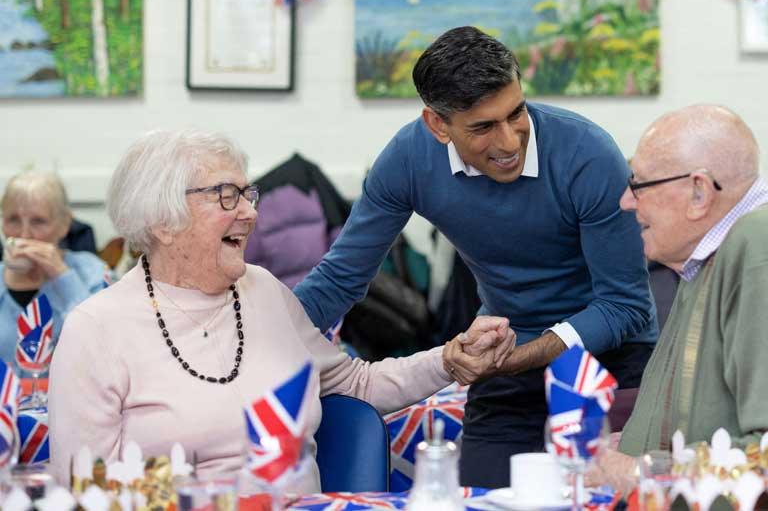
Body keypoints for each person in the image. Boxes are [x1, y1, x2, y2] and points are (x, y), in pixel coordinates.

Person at [48, 129, 515, 491]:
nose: (251, 213)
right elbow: (85, 486)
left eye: (248, 195)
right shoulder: (96, 330)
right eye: (226, 196)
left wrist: (449, 360)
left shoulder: (264, 291)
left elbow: (353, 385)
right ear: (162, 220)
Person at [294, 26, 657, 487]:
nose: (508, 141)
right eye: (483, 127)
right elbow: (340, 279)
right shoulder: (408, 159)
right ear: (437, 124)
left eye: (516, 113)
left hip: (613, 358)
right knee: (479, 499)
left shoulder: (588, 154)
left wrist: (526, 354)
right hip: (506, 362)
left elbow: (624, 306)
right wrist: (256, 331)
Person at [588, 105, 768, 491]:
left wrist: (639, 471)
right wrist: (638, 443)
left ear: (699, 192)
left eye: (639, 186)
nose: (626, 202)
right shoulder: (709, 256)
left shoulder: (767, 245)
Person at [0, 171, 109, 366]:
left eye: (38, 221)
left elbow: (107, 343)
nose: (24, 234)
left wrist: (62, 275)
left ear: (65, 224)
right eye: (13, 220)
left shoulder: (92, 272)